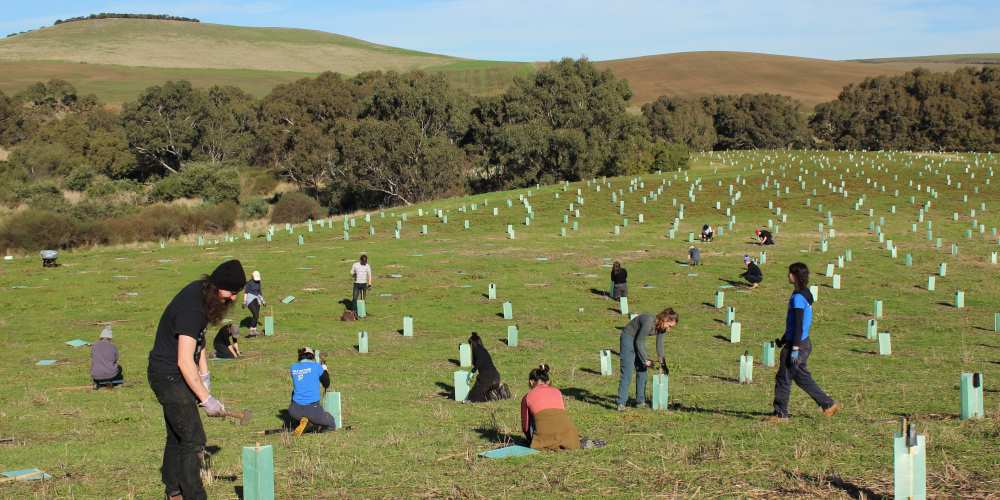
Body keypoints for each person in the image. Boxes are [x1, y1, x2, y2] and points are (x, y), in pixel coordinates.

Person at [147, 260, 245, 500]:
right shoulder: (192, 308)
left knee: (177, 435)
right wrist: (206, 398)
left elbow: (198, 342)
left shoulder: (203, 295)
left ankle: (173, 490)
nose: (233, 298)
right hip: (168, 375)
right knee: (193, 439)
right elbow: (183, 359)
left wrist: (205, 376)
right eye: (231, 292)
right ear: (218, 286)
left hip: (176, 373)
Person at [765, 263, 841, 422]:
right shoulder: (804, 293)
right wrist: (783, 339)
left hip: (797, 344)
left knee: (784, 377)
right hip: (801, 342)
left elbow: (798, 325)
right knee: (800, 376)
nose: (788, 276)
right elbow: (794, 324)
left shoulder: (798, 298)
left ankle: (780, 414)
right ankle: (828, 404)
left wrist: (794, 349)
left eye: (789, 273)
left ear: (795, 276)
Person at [616, 308, 679, 411]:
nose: (669, 329)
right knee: (627, 371)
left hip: (638, 340)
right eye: (669, 326)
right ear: (665, 319)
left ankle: (640, 402)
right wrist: (646, 359)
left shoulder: (662, 328)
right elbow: (639, 342)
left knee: (642, 371)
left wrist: (663, 364)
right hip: (628, 338)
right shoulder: (649, 321)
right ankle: (621, 403)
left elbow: (660, 346)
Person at [520, 364, 580, 450]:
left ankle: (545, 441)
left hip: (544, 438)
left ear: (531, 382)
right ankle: (566, 440)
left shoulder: (527, 397)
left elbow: (525, 427)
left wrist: (530, 440)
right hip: (570, 437)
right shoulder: (558, 392)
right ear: (548, 381)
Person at [288, 347, 337, 435]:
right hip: (312, 409)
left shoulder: (293, 367)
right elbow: (326, 383)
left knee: (295, 391)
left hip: (294, 410)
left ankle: (303, 422)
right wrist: (325, 369)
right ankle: (313, 425)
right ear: (311, 356)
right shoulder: (316, 367)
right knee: (331, 422)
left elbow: (304, 380)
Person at [466, 332, 510, 402]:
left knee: (474, 395)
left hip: (487, 377)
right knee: (485, 392)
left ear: (472, 344)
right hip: (495, 376)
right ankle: (500, 390)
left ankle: (497, 392)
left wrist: (472, 372)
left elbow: (479, 361)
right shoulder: (483, 350)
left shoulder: (477, 350)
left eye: (470, 345)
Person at [243, 270, 265, 336]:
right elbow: (246, 293)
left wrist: (263, 301)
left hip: (257, 299)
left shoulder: (259, 282)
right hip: (249, 300)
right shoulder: (249, 283)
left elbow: (259, 292)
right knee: (255, 313)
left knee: (257, 315)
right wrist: (244, 302)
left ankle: (254, 330)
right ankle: (251, 330)